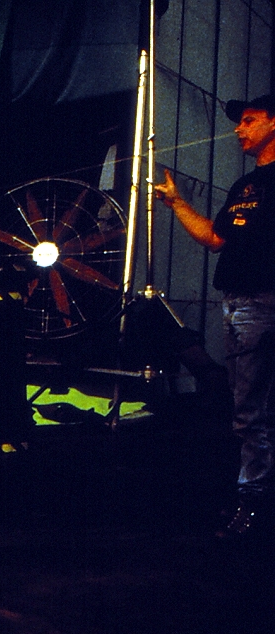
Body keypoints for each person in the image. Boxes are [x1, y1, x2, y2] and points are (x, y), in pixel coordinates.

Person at [154, 93, 275, 539]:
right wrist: (177, 203)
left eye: (249, 120)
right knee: (249, 410)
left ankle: (255, 506)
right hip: (240, 306)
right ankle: (254, 501)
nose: (239, 129)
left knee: (254, 413)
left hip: (264, 303)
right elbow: (216, 238)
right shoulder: (245, 186)